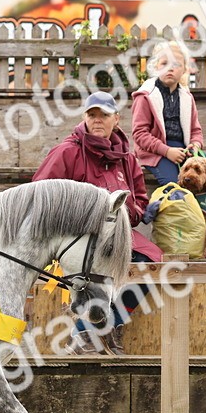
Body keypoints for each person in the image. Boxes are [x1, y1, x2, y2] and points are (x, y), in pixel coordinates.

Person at [32, 90, 163, 355]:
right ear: (84, 118)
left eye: (103, 115)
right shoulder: (67, 151)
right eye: (92, 115)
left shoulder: (127, 157)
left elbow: (139, 200)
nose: (97, 120)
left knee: (151, 264)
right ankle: (86, 334)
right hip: (77, 237)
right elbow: (39, 193)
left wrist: (132, 210)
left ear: (116, 119)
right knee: (95, 267)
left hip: (119, 233)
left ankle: (102, 328)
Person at [131, 41, 206, 200]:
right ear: (156, 66)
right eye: (164, 63)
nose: (170, 68)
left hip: (184, 150)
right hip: (156, 152)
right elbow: (140, 134)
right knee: (175, 186)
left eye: (176, 64)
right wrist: (167, 151)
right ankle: (185, 220)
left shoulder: (186, 97)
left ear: (185, 69)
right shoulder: (146, 95)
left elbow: (195, 130)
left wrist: (195, 144)